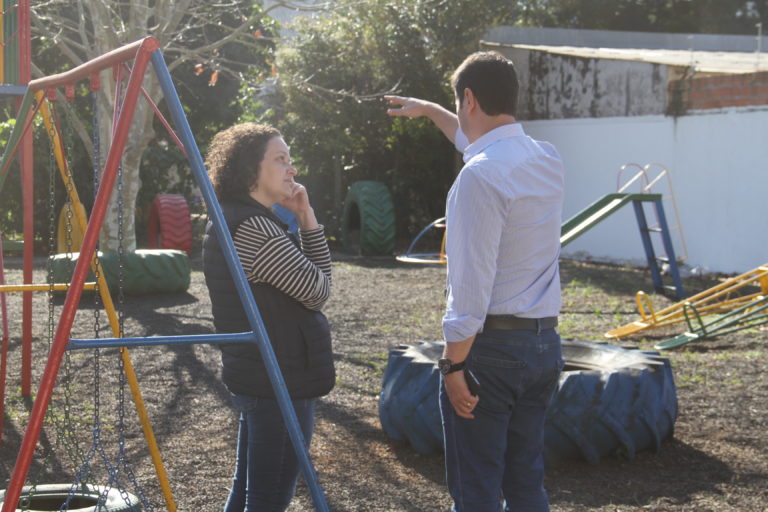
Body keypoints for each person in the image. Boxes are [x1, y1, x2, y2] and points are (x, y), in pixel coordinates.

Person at [385, 51, 565, 512]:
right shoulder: (546, 159)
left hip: (492, 354)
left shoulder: (479, 177)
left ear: (469, 99)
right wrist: (432, 110)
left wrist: (452, 366)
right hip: (543, 346)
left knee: (476, 494)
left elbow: (470, 287)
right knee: (526, 485)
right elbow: (477, 142)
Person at [202, 122, 335, 512]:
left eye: (289, 159)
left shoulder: (238, 218)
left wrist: (306, 216)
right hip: (278, 375)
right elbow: (319, 291)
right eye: (280, 159)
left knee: (249, 490)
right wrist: (307, 220)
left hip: (266, 370)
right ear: (250, 170)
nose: (291, 168)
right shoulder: (255, 228)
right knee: (268, 497)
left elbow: (316, 283)